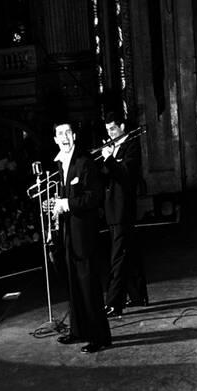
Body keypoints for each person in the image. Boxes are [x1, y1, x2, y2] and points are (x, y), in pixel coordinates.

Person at [52, 121, 112, 353]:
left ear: (74, 136)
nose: (64, 137)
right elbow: (68, 196)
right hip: (69, 234)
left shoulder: (84, 161)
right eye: (60, 134)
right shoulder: (60, 162)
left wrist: (66, 204)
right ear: (55, 139)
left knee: (89, 285)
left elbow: (94, 197)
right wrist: (57, 206)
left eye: (68, 132)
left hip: (84, 235)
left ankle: (100, 337)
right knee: (74, 283)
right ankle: (79, 331)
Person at [101, 111, 149, 317]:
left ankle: (113, 302)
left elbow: (126, 175)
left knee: (118, 256)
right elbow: (107, 177)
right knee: (129, 251)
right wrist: (107, 159)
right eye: (108, 131)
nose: (110, 134)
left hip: (122, 210)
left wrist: (110, 159)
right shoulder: (115, 146)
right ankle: (138, 296)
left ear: (122, 127)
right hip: (112, 209)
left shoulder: (132, 146)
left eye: (113, 129)